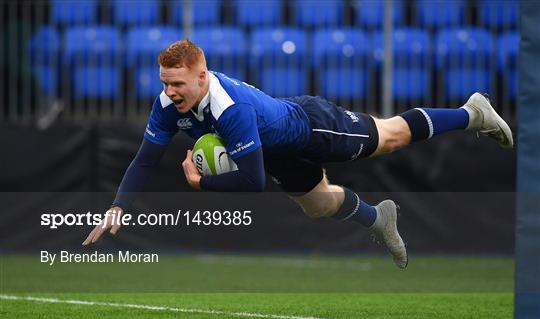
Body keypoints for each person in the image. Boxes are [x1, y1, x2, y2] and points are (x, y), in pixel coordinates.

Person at [82, 39, 514, 269]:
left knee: (392, 134)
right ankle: (380, 218)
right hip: (279, 153)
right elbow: (143, 159)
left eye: (178, 83)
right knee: (319, 205)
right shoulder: (167, 106)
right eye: (164, 82)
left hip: (310, 127)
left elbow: (251, 182)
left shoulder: (230, 110)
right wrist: (117, 208)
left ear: (202, 76)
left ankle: (472, 112)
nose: (169, 90)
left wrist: (203, 182)